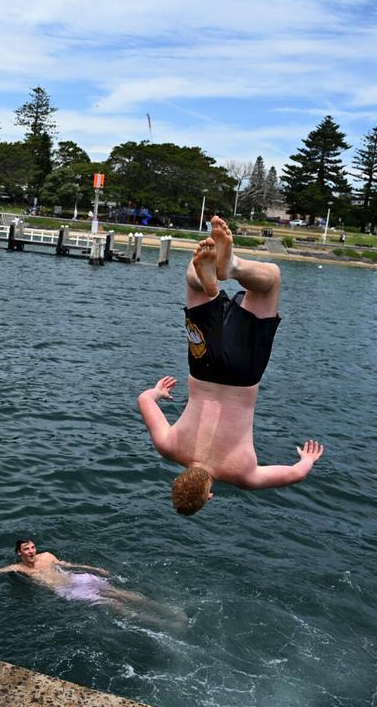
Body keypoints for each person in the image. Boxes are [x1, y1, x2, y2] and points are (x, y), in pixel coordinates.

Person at [139, 216, 324, 516]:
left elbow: (296, 473)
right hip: (203, 368)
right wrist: (157, 392)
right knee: (193, 279)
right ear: (178, 479)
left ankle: (236, 267)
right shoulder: (167, 444)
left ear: (209, 495)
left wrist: (307, 459)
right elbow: (143, 399)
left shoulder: (243, 474)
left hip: (243, 372)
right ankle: (221, 272)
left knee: (271, 281)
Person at [0, 539, 185, 627]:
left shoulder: (47, 556)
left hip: (78, 579)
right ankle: (164, 623)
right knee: (114, 606)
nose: (31, 551)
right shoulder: (17, 568)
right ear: (18, 553)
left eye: (32, 547)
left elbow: (67, 564)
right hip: (67, 590)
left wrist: (93, 569)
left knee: (126, 595)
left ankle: (171, 611)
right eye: (26, 549)